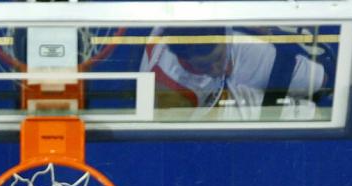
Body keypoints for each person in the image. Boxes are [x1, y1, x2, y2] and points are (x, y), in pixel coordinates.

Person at [140, 27, 333, 121]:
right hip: (207, 107)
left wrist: (260, 29)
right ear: (185, 59)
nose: (217, 69)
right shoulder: (172, 94)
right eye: (206, 66)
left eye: (218, 58)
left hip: (229, 56)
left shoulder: (214, 21)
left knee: (321, 79)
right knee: (311, 116)